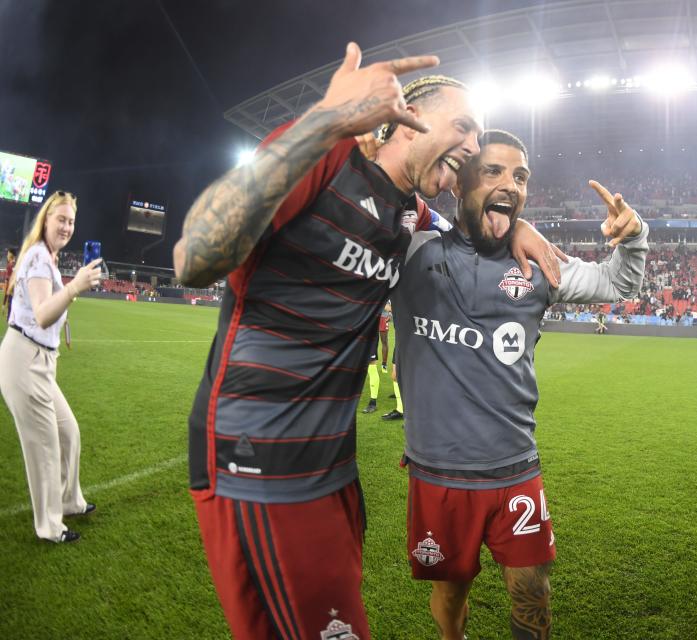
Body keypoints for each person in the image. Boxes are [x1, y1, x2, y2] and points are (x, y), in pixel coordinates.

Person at [173, 43, 561, 640]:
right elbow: (194, 257)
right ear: (408, 117)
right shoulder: (325, 157)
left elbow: (471, 227)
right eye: (463, 128)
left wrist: (518, 225)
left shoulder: (408, 210)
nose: (473, 149)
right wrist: (324, 121)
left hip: (330, 462)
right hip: (257, 454)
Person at [392, 130, 649, 639]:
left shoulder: (536, 264)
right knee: (450, 591)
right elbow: (391, 191)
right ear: (459, 180)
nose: (511, 184)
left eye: (521, 176)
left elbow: (618, 284)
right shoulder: (412, 252)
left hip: (514, 470)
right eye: (493, 171)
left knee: (533, 592)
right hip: (438, 473)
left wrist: (634, 234)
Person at [0, 191, 102, 543]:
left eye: (71, 221)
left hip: (40, 361)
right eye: (60, 219)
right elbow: (42, 315)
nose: (66, 226)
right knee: (44, 449)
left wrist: (67, 316)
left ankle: (70, 501)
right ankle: (49, 526)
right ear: (46, 219)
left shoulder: (48, 257)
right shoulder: (39, 259)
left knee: (68, 431)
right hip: (24, 362)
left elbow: (46, 311)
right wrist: (75, 287)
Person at [3, 247, 16, 319]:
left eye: (8, 254)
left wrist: (4, 303)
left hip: (12, 296)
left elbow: (7, 285)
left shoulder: (9, 266)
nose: (7, 256)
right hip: (18, 297)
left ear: (11, 255)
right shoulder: (18, 265)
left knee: (10, 320)